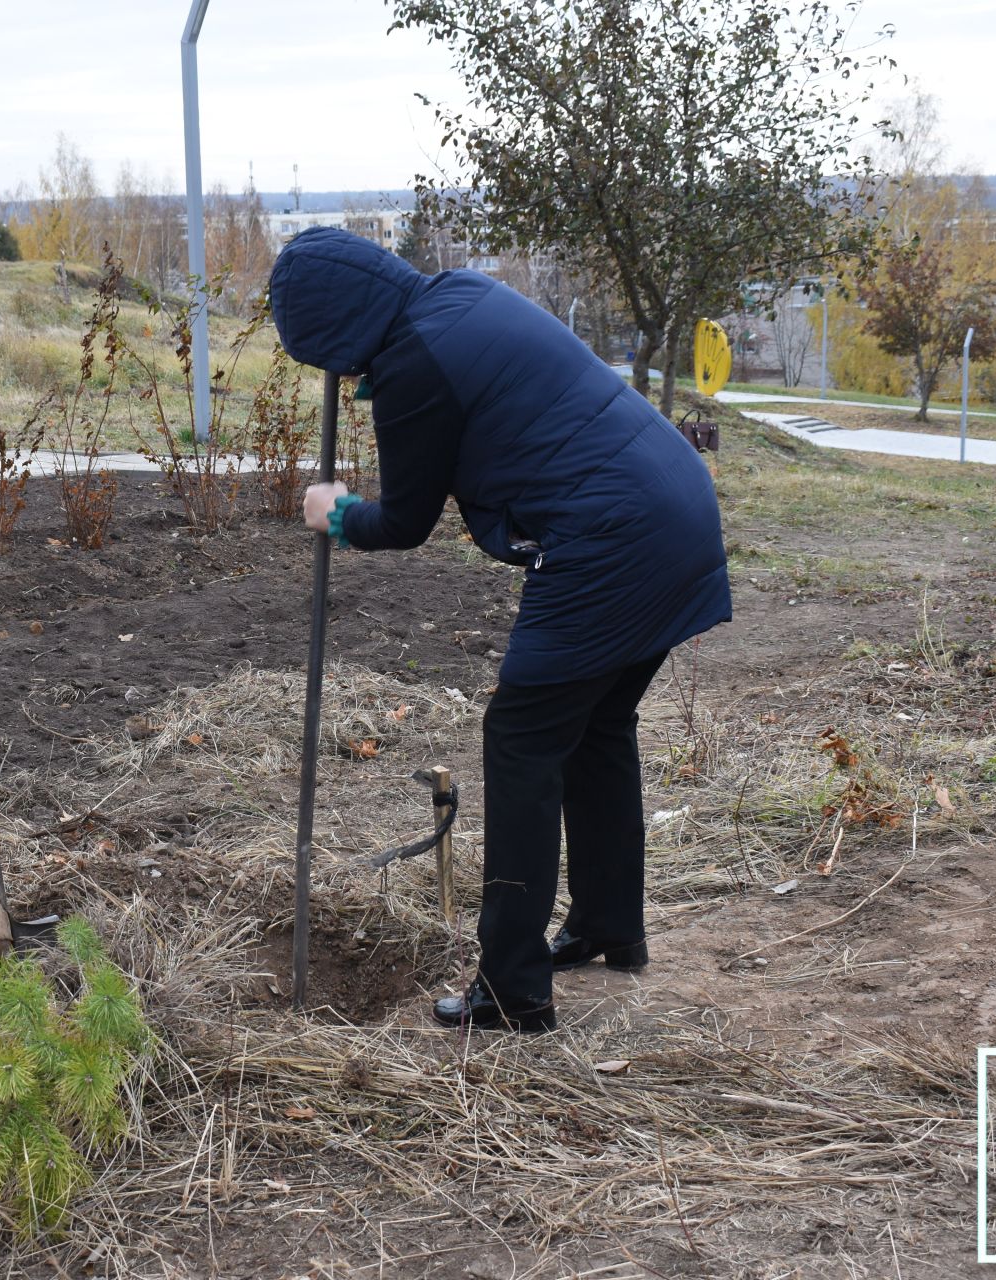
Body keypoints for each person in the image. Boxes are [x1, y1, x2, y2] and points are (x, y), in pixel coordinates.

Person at [269, 227, 732, 1033]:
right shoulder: (461, 295)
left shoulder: (415, 362)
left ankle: (513, 989)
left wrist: (336, 513)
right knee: (599, 727)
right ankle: (608, 924)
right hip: (675, 507)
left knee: (521, 742)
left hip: (613, 538)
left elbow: (405, 520)